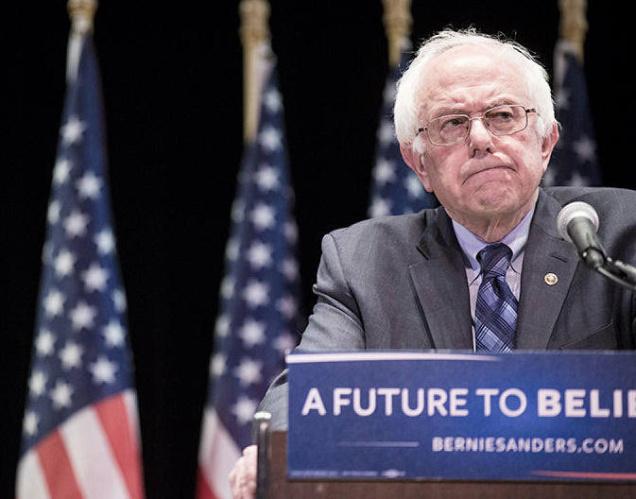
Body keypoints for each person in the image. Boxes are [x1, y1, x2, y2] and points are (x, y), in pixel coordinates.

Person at [229, 28, 636, 498]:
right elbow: (308, 390)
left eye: (503, 115)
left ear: (545, 142)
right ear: (418, 162)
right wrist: (278, 448)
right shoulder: (363, 262)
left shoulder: (618, 236)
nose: (481, 139)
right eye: (453, 124)